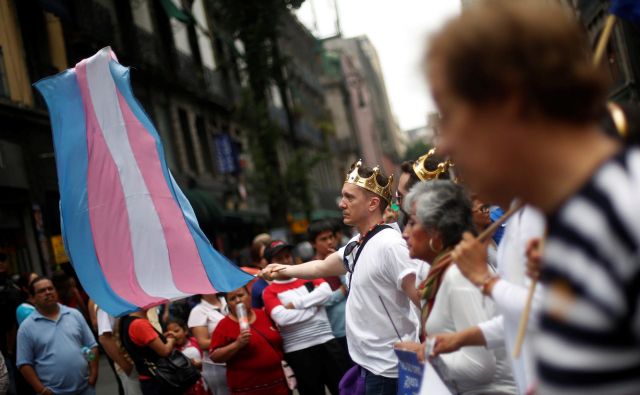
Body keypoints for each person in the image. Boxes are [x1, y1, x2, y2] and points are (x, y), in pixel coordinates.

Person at [425, 1, 640, 393]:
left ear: (509, 102)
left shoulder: (621, 209)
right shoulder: (567, 212)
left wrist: (487, 283)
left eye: (452, 116)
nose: (445, 147)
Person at [263, 160, 420, 395]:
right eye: (342, 196)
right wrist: (282, 270)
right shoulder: (356, 244)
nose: (341, 203)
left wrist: (426, 346)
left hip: (391, 369)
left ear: (373, 203)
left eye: (349, 197)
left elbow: (422, 297)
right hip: (371, 366)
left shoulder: (390, 245)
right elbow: (321, 267)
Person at [399, 181, 516, 394]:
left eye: (412, 223)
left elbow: (480, 368)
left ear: (436, 232)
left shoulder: (458, 275)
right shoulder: (441, 273)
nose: (404, 233)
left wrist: (424, 353)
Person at [436, 204, 545, 394]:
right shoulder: (518, 219)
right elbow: (514, 318)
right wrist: (458, 340)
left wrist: (486, 281)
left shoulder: (534, 217)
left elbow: (543, 309)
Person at [262, 240, 348, 395]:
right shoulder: (269, 291)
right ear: (269, 264)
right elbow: (282, 318)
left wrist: (295, 304)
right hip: (298, 351)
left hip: (327, 341)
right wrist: (313, 307)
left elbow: (326, 292)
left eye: (287, 256)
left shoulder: (306, 274)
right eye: (279, 259)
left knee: (343, 390)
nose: (285, 261)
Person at [17, 277, 99, 395]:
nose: (48, 292)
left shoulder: (74, 314)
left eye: (50, 288)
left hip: (86, 389)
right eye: (42, 291)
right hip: (53, 392)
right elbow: (24, 364)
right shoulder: (26, 328)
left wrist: (94, 372)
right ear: (33, 298)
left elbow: (91, 346)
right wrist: (41, 390)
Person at [210, 286, 289, 395]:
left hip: (279, 385)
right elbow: (215, 356)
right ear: (228, 304)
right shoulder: (224, 325)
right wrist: (237, 344)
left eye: (241, 295)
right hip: (247, 388)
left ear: (249, 296)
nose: (238, 300)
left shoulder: (264, 314)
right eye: (232, 299)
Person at [307, 221, 349, 355]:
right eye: (323, 239)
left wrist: (337, 262)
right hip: (334, 332)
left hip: (356, 325)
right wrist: (342, 291)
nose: (330, 242)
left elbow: (352, 285)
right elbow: (319, 301)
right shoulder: (310, 268)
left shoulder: (343, 258)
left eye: (331, 237)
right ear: (313, 243)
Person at [119, 308, 180, 395]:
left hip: (149, 377)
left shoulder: (127, 321)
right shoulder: (139, 324)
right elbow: (164, 351)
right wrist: (171, 339)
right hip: (158, 380)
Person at [188, 293, 228, 395]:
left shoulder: (228, 299)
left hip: (239, 359)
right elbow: (203, 343)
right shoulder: (198, 311)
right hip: (217, 366)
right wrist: (232, 339)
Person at [97, 307, 143, 395]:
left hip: (146, 364)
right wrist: (127, 368)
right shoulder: (107, 304)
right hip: (131, 366)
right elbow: (104, 338)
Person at [166, 320, 207, 395]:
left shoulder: (196, 341)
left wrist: (201, 363)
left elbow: (209, 358)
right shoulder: (170, 350)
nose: (174, 335)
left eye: (176, 331)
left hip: (203, 383)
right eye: (170, 334)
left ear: (185, 331)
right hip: (186, 388)